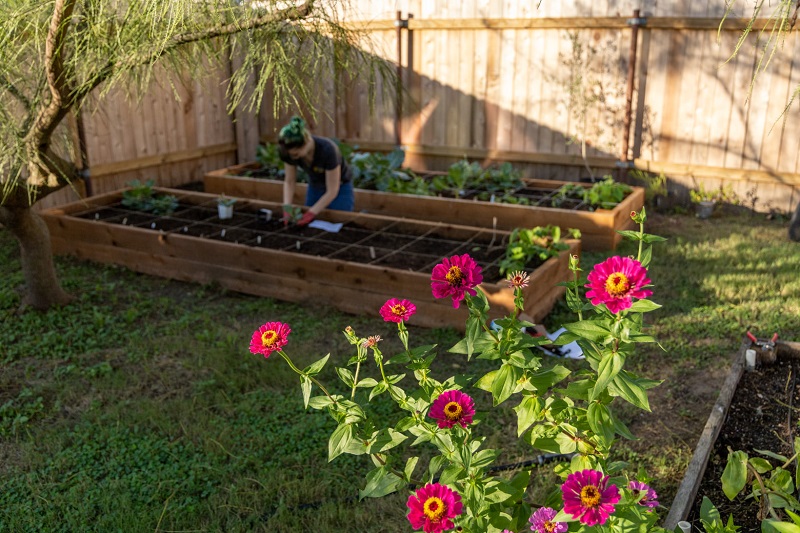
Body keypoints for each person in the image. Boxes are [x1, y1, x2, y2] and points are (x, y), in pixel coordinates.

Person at [278, 116, 354, 226]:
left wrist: (310, 213)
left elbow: (332, 190)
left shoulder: (328, 150)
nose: (293, 158)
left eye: (296, 154)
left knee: (339, 226)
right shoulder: (289, 153)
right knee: (310, 228)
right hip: (315, 187)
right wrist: (287, 208)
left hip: (340, 189)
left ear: (306, 142)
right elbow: (289, 182)